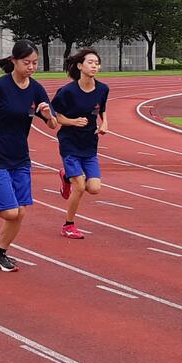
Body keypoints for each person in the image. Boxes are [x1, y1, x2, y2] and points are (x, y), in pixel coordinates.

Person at [0, 40, 58, 272]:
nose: (31, 67)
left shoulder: (36, 89)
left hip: (20, 157)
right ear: (14, 61)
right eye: (26, 62)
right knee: (10, 212)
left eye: (35, 63)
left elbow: (53, 125)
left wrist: (48, 115)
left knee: (20, 212)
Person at [51, 48, 109, 239]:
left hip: (89, 143)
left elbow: (102, 110)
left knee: (94, 188)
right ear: (79, 66)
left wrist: (104, 123)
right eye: (90, 62)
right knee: (80, 186)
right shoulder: (67, 92)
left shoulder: (102, 89)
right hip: (69, 142)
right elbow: (56, 117)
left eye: (97, 63)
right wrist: (73, 121)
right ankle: (68, 225)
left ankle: (66, 176)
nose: (94, 66)